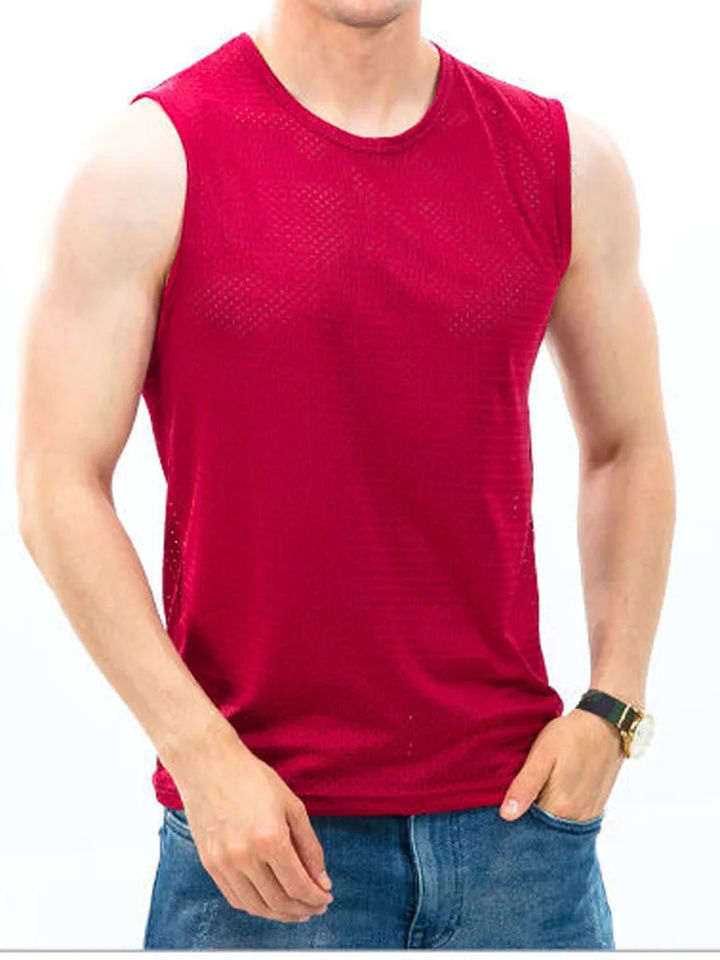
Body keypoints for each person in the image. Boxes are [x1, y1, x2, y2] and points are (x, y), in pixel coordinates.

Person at [16, 0, 675, 950]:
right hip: (258, 845)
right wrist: (200, 753)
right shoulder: (150, 162)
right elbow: (57, 480)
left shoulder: (564, 160)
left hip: (522, 839)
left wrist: (614, 707)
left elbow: (628, 444)